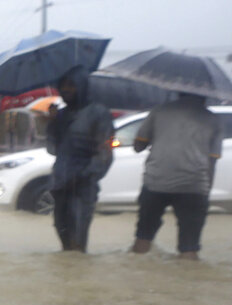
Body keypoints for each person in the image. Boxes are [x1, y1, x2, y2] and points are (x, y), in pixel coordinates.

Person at [130, 93, 223, 260]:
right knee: (189, 248)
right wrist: (205, 192)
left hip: (156, 182)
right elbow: (212, 161)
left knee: (143, 239)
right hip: (194, 186)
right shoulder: (212, 119)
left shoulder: (159, 112)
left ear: (178, 92)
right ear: (205, 95)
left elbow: (138, 146)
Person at [45, 65, 114, 252]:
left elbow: (105, 154)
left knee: (77, 239)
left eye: (71, 85)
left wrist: (84, 175)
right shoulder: (61, 115)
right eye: (63, 86)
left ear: (82, 86)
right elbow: (52, 149)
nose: (66, 90)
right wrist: (51, 124)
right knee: (63, 237)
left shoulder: (98, 113)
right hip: (60, 184)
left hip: (83, 186)